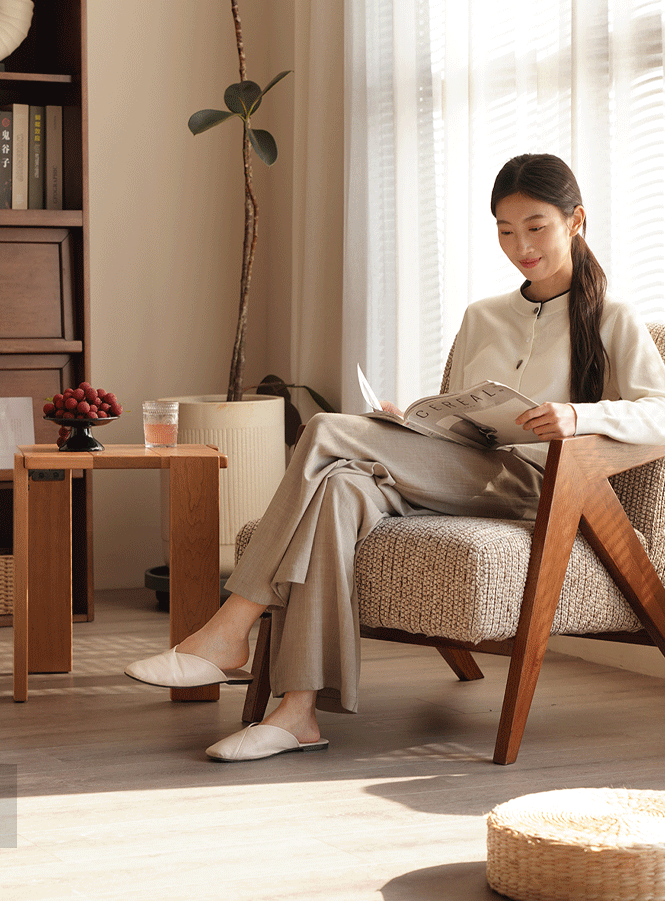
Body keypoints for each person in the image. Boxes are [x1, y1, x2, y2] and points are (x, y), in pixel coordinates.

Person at [125, 153, 665, 761]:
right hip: (466, 463)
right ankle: (297, 711)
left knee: (329, 431)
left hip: (540, 485)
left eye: (535, 227)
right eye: (506, 231)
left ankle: (230, 627)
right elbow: (461, 409)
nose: (521, 246)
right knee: (339, 489)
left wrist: (577, 415)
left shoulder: (613, 318)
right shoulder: (483, 316)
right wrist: (406, 420)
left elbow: (661, 412)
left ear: (576, 222)